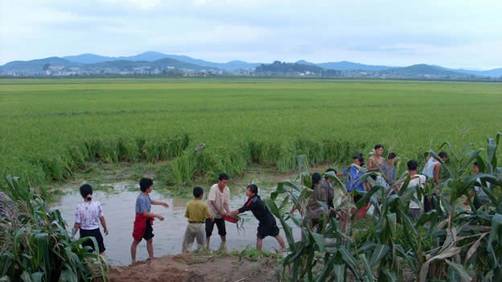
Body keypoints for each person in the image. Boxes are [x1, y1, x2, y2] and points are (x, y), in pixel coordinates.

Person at [229, 184, 286, 251]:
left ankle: (258, 253)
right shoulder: (255, 198)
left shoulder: (253, 201)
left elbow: (242, 209)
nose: (246, 191)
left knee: (259, 237)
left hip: (265, 222)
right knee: (276, 234)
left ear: (252, 192)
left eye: (247, 190)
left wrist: (230, 213)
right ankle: (284, 248)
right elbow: (244, 207)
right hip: (270, 219)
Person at [130, 178, 169, 264]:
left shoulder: (146, 195)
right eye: (151, 186)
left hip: (146, 222)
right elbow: (144, 214)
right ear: (147, 188)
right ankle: (133, 260)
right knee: (136, 241)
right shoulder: (141, 198)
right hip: (140, 222)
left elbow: (151, 202)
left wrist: (162, 203)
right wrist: (157, 216)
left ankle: (151, 257)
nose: (152, 188)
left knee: (149, 239)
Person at [73, 184, 108, 255]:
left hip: (85, 234)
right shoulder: (97, 204)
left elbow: (77, 223)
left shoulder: (79, 207)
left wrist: (72, 234)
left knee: (86, 253)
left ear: (82, 194)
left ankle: (90, 266)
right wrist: (105, 228)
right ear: (91, 192)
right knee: (101, 251)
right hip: (96, 232)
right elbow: (102, 218)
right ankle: (104, 265)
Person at [182, 187, 212, 253]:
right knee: (201, 244)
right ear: (201, 195)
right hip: (200, 225)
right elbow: (209, 216)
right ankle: (201, 255)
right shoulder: (204, 204)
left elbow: (187, 215)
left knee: (187, 244)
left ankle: (185, 256)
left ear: (193, 194)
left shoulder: (189, 203)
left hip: (190, 225)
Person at [206, 173, 231, 251]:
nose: (225, 184)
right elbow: (212, 201)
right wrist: (220, 211)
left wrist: (229, 212)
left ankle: (223, 245)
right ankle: (207, 247)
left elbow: (226, 203)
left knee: (223, 231)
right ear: (219, 181)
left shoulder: (227, 189)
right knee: (208, 231)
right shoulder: (214, 188)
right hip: (210, 213)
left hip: (220, 214)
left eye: (226, 182)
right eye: (223, 182)